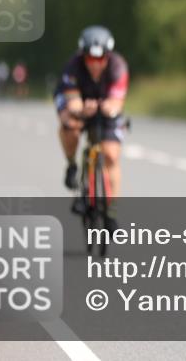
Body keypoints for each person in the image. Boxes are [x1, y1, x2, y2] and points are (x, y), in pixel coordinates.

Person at [53, 26, 129, 228]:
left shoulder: (118, 66)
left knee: (111, 155)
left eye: (100, 59)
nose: (95, 64)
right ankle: (72, 165)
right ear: (83, 55)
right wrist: (81, 110)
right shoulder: (72, 67)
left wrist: (108, 107)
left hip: (105, 107)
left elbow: (116, 102)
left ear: (108, 56)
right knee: (70, 126)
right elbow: (72, 103)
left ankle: (111, 210)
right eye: (90, 58)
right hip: (80, 104)